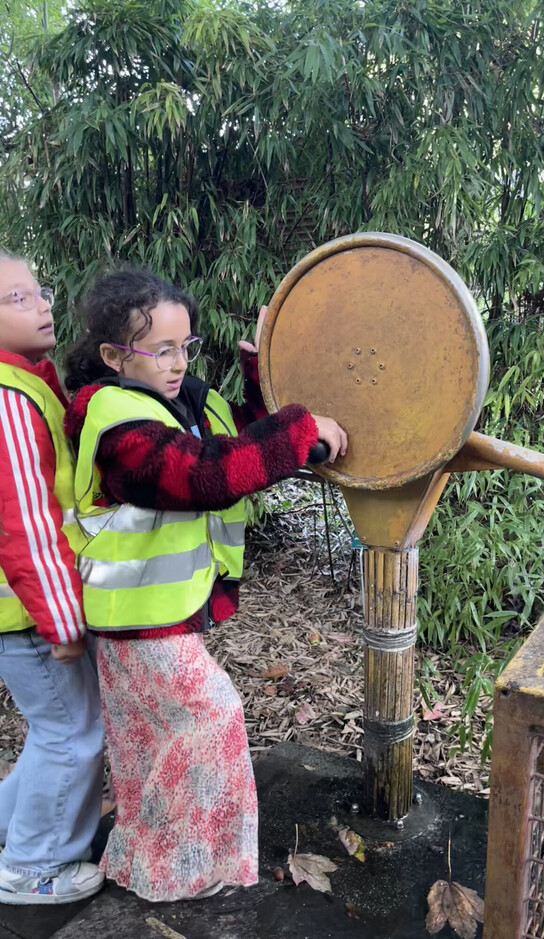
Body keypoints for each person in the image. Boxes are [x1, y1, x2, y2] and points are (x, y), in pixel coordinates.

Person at [63, 268, 347, 902]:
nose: (177, 362)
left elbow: (242, 435)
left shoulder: (184, 397)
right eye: (161, 349)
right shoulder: (114, 423)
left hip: (159, 617)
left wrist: (259, 370)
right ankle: (191, 870)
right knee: (212, 717)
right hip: (135, 622)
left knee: (148, 749)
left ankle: (153, 866)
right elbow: (205, 475)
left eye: (186, 346)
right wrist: (304, 430)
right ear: (114, 356)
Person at [0, 251, 104, 904]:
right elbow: (27, 522)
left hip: (30, 610)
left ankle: (15, 826)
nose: (41, 305)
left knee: (57, 726)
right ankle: (35, 867)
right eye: (17, 298)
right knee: (71, 733)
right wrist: (62, 618)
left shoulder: (31, 379)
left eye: (39, 293)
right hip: (30, 614)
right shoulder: (9, 398)